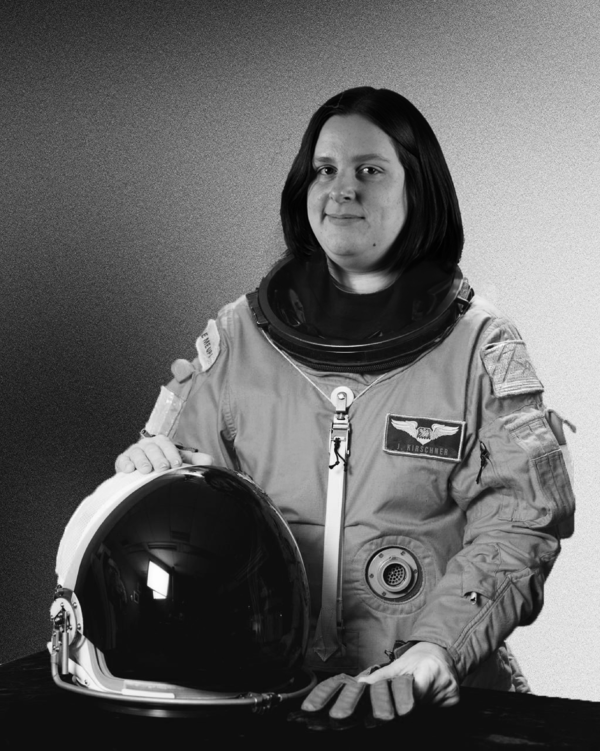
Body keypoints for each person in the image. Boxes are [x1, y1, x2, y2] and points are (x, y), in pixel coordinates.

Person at [114, 87, 575, 722]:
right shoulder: (240, 336)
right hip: (267, 693)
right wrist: (153, 476)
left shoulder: (480, 347)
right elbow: (193, 506)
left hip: (424, 698)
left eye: (370, 170)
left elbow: (521, 521)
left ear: (419, 191)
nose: (342, 189)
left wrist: (435, 650)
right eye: (325, 169)